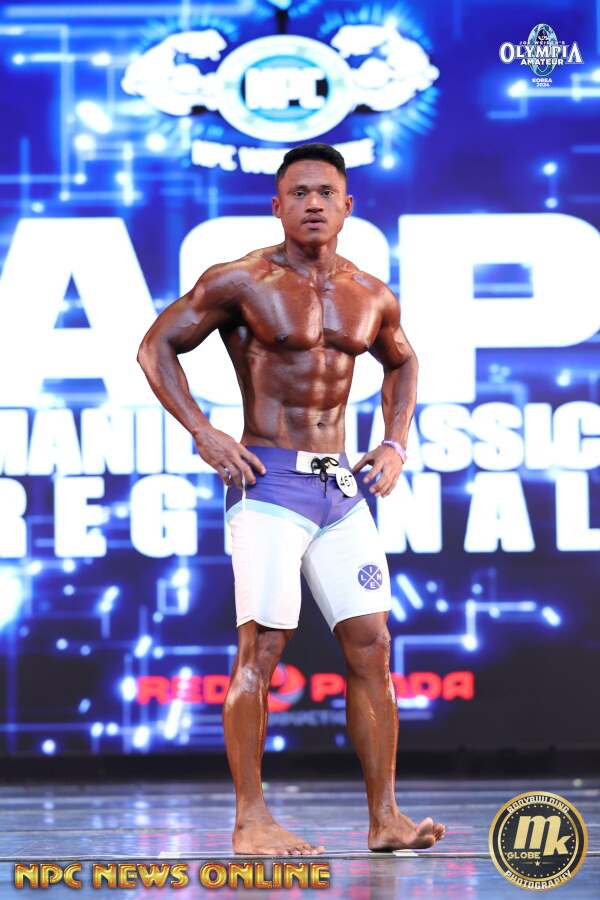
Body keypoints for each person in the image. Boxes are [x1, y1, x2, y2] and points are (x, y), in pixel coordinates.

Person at [137, 143, 446, 856]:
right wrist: (204, 431)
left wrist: (394, 442)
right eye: (299, 193)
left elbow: (402, 361)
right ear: (276, 205)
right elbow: (156, 347)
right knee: (264, 646)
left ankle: (386, 819)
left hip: (339, 485)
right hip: (269, 482)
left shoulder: (371, 293)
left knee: (373, 645)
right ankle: (251, 820)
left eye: (325, 192)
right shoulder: (242, 279)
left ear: (347, 205)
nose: (313, 203)